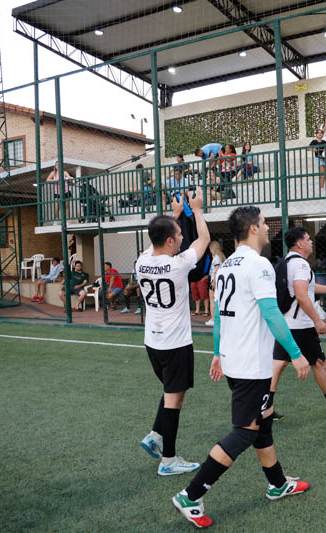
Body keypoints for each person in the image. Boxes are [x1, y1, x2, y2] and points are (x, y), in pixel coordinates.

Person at [172, 206, 310, 529]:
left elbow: (219, 315)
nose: (268, 228)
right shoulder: (259, 265)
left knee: (262, 421)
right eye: (263, 223)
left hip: (234, 360)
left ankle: (277, 483)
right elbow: (272, 314)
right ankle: (190, 495)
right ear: (252, 229)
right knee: (245, 432)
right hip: (251, 365)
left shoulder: (225, 266)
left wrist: (217, 352)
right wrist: (296, 353)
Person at [137, 187, 210, 477]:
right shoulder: (178, 265)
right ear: (169, 240)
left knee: (171, 392)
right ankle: (168, 460)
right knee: (174, 399)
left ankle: (155, 435)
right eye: (179, 234)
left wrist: (175, 214)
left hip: (153, 343)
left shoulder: (142, 261)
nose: (182, 238)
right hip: (175, 343)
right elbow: (204, 239)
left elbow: (158, 236)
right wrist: (198, 209)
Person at [269, 227, 326, 421]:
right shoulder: (301, 264)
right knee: (319, 363)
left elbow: (306, 287)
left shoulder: (288, 261)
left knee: (278, 364)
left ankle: (264, 408)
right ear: (299, 243)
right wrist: (317, 320)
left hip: (286, 323)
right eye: (308, 239)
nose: (311, 242)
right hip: (301, 325)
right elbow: (301, 295)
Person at [205, 241, 226, 327]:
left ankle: (213, 319)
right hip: (221, 281)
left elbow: (217, 271)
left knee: (212, 300)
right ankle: (219, 318)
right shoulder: (222, 257)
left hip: (215, 281)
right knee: (219, 301)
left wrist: (213, 282)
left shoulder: (216, 258)